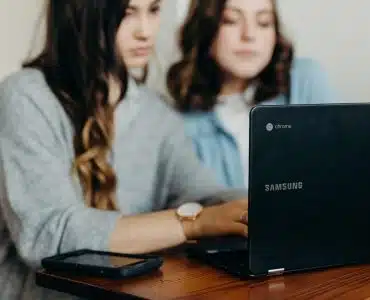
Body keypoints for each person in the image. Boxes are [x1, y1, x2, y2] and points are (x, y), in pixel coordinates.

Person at [0, 0, 249, 299]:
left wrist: (261, 203)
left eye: (154, 10)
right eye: (128, 13)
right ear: (82, 14)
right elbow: (48, 235)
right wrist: (192, 224)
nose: (145, 31)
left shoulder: (157, 113)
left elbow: (202, 192)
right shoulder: (25, 97)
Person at [166, 0, 334, 188]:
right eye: (230, 20)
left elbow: (335, 175)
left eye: (263, 22)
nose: (249, 35)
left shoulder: (304, 81)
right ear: (204, 28)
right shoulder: (177, 123)